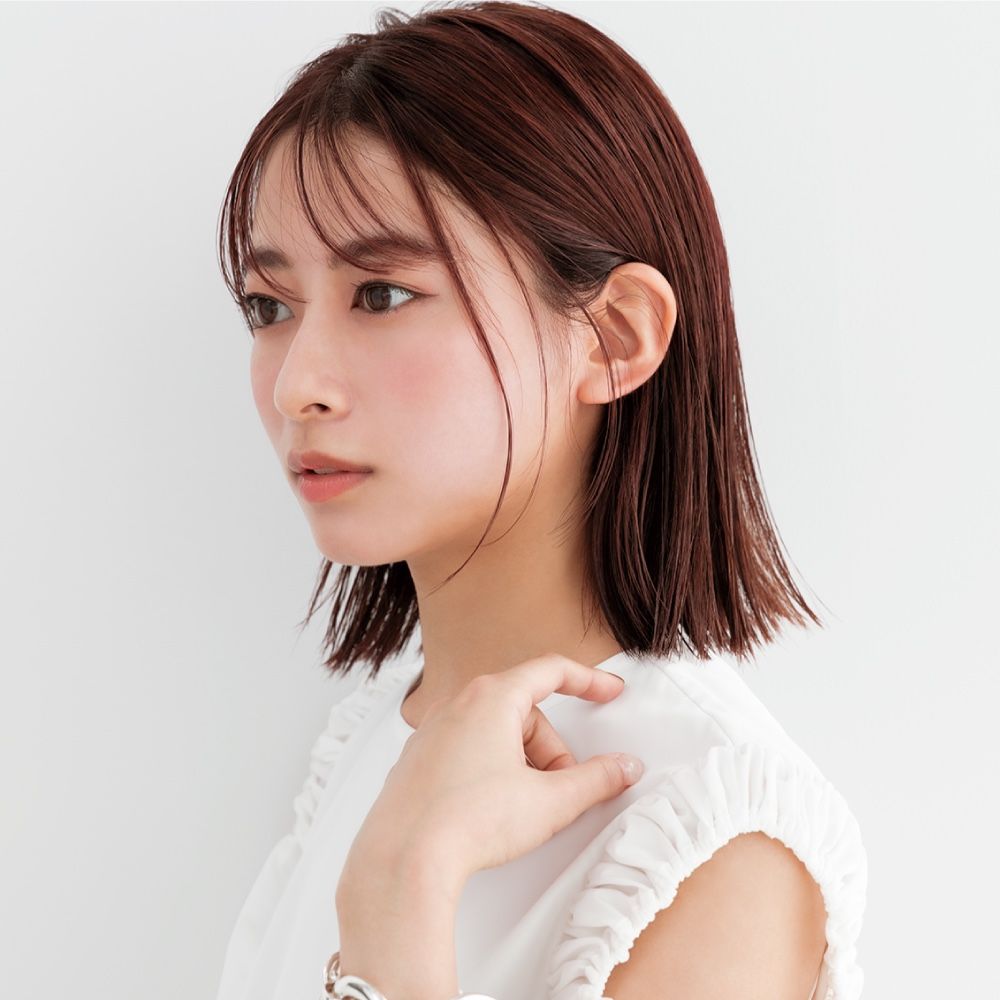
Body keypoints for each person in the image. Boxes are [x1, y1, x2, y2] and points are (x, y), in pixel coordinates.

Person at [213, 3, 867, 999]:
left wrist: (402, 896)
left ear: (613, 337)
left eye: (382, 293)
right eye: (271, 307)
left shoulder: (716, 839)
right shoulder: (372, 747)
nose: (299, 381)